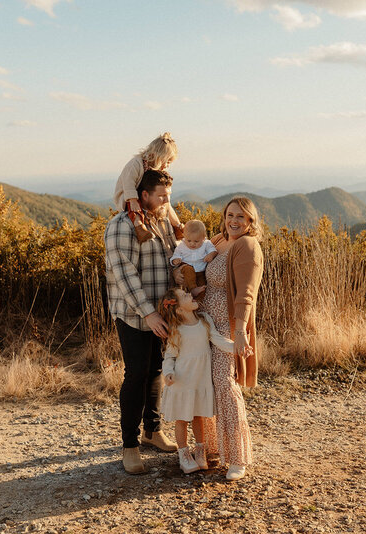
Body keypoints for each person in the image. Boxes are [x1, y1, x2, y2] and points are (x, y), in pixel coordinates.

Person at [104, 168, 180, 474]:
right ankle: (130, 445)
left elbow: (173, 260)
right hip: (134, 313)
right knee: (136, 374)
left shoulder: (163, 223)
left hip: (163, 314)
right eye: (161, 196)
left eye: (169, 196)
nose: (166, 201)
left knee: (156, 370)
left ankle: (153, 431)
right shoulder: (121, 225)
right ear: (143, 195)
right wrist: (148, 312)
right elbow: (123, 274)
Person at [200, 197, 263, 481]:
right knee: (207, 384)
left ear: (251, 221)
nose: (234, 221)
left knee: (226, 384)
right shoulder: (218, 240)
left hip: (227, 326)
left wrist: (240, 334)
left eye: (240, 217)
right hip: (203, 325)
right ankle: (214, 450)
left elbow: (246, 294)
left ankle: (238, 457)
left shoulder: (246, 246)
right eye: (229, 215)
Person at [157, 287, 242, 473]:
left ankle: (200, 451)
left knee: (198, 417)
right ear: (179, 309)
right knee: (182, 419)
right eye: (185, 296)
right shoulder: (176, 330)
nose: (191, 295)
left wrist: (237, 347)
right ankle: (184, 455)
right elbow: (170, 356)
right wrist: (168, 373)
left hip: (200, 381)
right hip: (182, 381)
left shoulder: (204, 321)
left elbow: (218, 339)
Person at [113, 132, 184, 243]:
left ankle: (178, 226)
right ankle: (139, 227)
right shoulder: (136, 164)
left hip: (143, 194)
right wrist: (133, 199)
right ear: (158, 156)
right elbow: (128, 183)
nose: (167, 165)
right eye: (167, 161)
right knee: (135, 207)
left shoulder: (156, 168)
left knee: (166, 203)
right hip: (127, 195)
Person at [169, 219, 217, 300]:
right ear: (184, 237)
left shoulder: (206, 244)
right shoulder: (182, 245)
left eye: (196, 241)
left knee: (202, 286)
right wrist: (175, 260)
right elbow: (175, 255)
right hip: (186, 269)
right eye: (189, 240)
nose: (192, 244)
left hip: (201, 272)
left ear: (203, 238)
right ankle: (192, 289)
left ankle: (199, 300)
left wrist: (211, 255)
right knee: (188, 270)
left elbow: (213, 250)